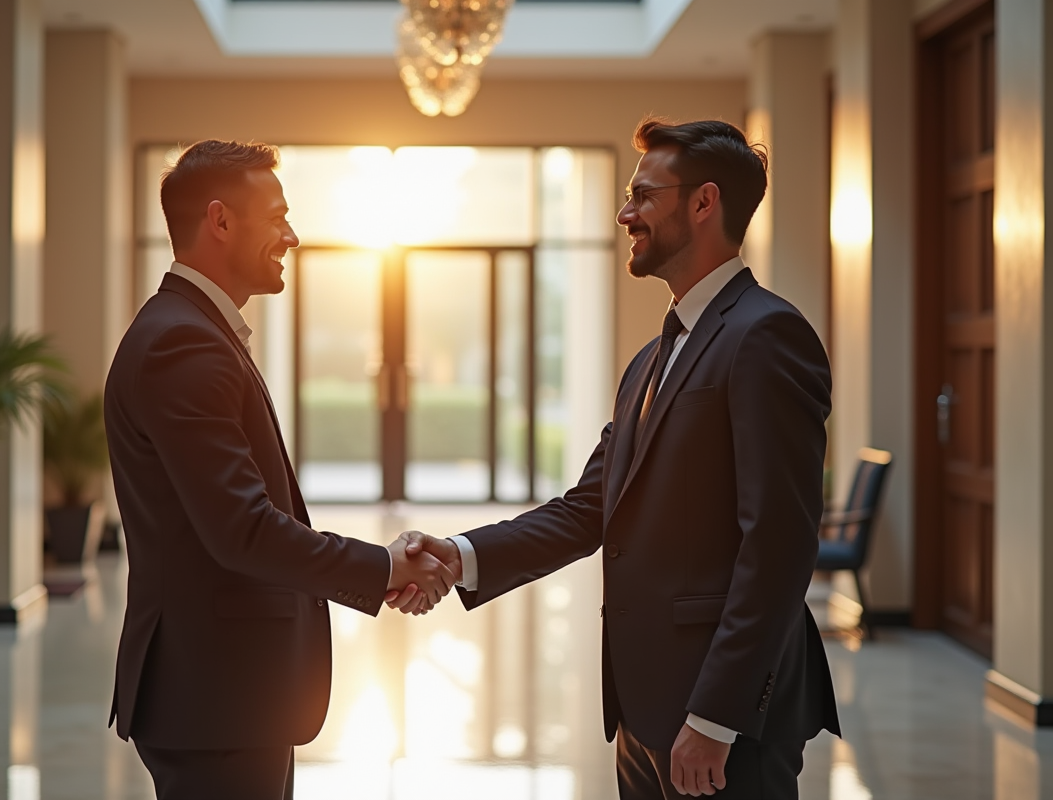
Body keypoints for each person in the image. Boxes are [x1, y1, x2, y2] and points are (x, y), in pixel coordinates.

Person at [390, 118, 841, 798]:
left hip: (722, 719)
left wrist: (716, 717)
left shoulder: (767, 335)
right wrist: (459, 556)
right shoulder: (651, 359)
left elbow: (777, 545)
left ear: (703, 203)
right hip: (644, 708)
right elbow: (588, 509)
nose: (625, 212)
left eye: (643, 195)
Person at [103, 139, 453, 800]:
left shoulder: (192, 330)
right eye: (278, 216)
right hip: (215, 697)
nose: (291, 236)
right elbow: (242, 529)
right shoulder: (184, 342)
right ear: (221, 221)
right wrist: (380, 569)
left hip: (223, 695)